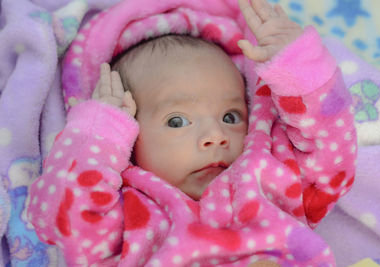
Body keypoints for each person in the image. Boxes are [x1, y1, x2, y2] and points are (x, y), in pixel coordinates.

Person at [27, 0, 357, 266]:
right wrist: (96, 137)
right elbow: (62, 216)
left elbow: (330, 151)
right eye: (177, 121)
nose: (216, 135)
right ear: (126, 137)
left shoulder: (268, 174)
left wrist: (299, 66)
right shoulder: (124, 214)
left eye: (231, 116)